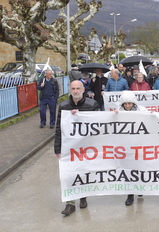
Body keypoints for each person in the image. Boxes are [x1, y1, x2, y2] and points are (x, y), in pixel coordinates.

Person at [54, 80, 100, 216]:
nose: (75, 91)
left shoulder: (92, 105)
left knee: (84, 173)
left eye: (78, 88)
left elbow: (100, 124)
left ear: (83, 89)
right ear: (70, 89)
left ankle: (83, 197)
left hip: (87, 148)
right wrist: (57, 148)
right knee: (69, 175)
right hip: (69, 149)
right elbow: (58, 129)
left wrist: (80, 116)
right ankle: (70, 204)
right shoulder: (63, 106)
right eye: (73, 88)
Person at [113, 91, 148, 206]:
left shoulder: (142, 111)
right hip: (125, 146)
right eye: (125, 104)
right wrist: (113, 116)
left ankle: (140, 188)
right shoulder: (118, 112)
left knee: (139, 168)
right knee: (128, 170)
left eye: (130, 103)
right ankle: (130, 194)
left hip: (139, 145)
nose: (128, 106)